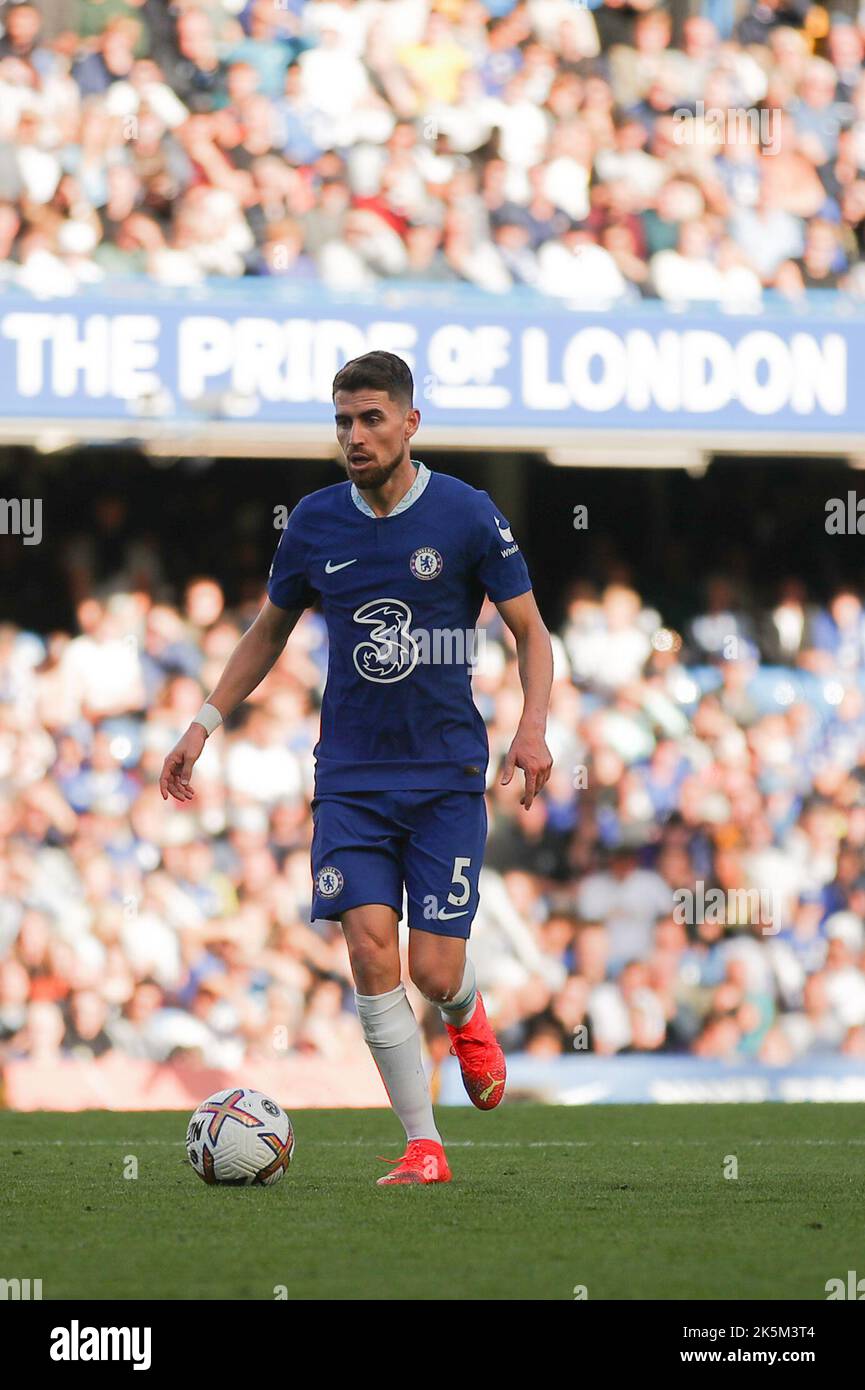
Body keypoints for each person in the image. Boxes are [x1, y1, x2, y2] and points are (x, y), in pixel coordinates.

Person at [160, 350, 554, 1186]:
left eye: (371, 418)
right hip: (349, 778)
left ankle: (466, 1010)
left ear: (410, 423)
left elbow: (531, 632)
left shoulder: (466, 514)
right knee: (372, 954)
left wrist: (532, 731)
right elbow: (267, 631)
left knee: (432, 969)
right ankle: (424, 1146)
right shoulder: (312, 522)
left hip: (446, 774)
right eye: (342, 421)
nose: (354, 435)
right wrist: (202, 723)